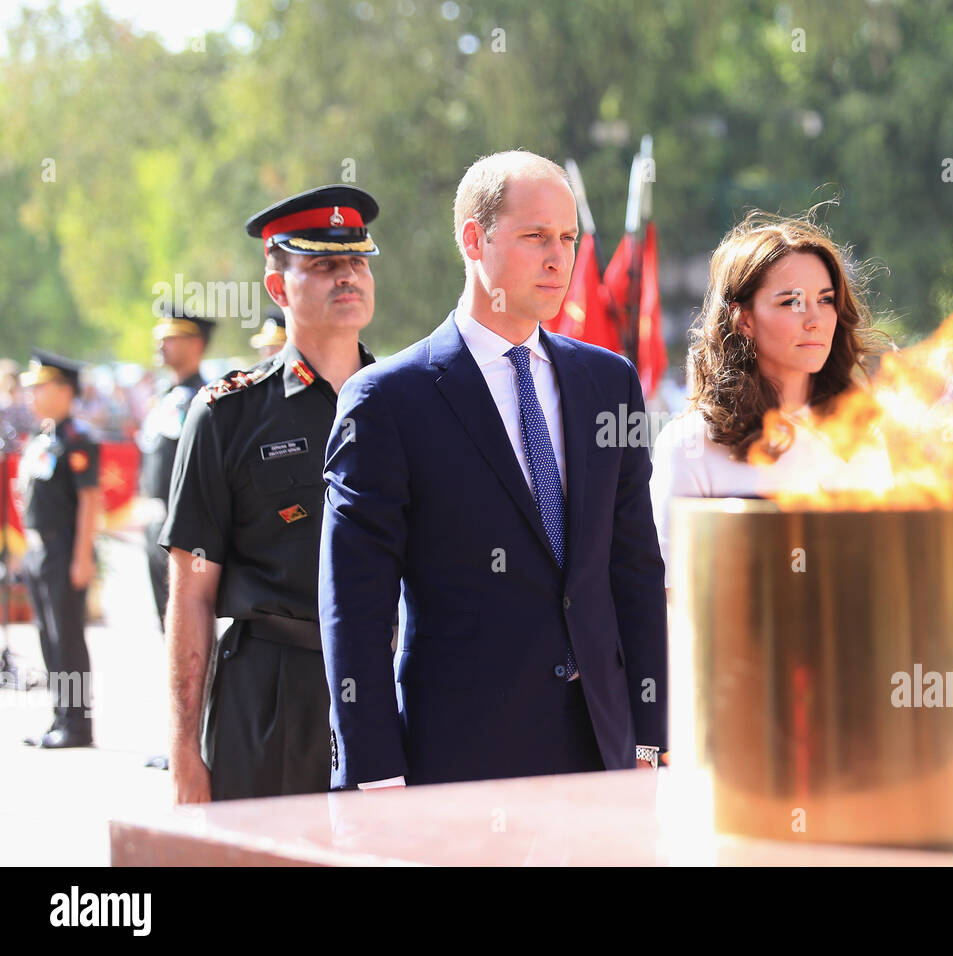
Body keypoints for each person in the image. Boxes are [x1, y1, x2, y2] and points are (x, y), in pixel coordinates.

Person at [319, 150, 667, 790]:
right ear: (473, 239)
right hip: (460, 760)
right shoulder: (387, 401)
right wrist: (373, 771)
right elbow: (355, 606)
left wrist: (651, 736)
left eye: (566, 238)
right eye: (536, 236)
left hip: (604, 750)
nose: (559, 258)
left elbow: (634, 568)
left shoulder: (609, 383)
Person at [159, 185, 379, 803]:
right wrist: (183, 750)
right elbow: (192, 593)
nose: (348, 277)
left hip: (387, 682)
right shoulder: (226, 415)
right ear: (278, 288)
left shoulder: (408, 403)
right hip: (272, 688)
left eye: (358, 261)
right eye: (323, 264)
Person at [649, 212, 892, 588]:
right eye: (791, 302)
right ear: (743, 319)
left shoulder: (860, 434)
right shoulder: (689, 445)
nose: (815, 319)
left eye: (825, 300)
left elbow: (884, 574)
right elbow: (670, 597)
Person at [17, 349, 101, 748]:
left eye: (40, 387)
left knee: (67, 638)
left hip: (64, 548)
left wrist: (83, 556)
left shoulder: (77, 439)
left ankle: (78, 725)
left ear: (64, 391)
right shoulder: (43, 438)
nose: (31, 394)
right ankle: (60, 718)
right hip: (38, 550)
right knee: (48, 638)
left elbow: (89, 500)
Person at [138, 310, 215, 630]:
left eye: (171, 337)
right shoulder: (163, 397)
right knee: (166, 622)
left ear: (195, 343)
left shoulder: (208, 396)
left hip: (188, 525)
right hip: (157, 522)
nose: (161, 343)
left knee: (191, 622)